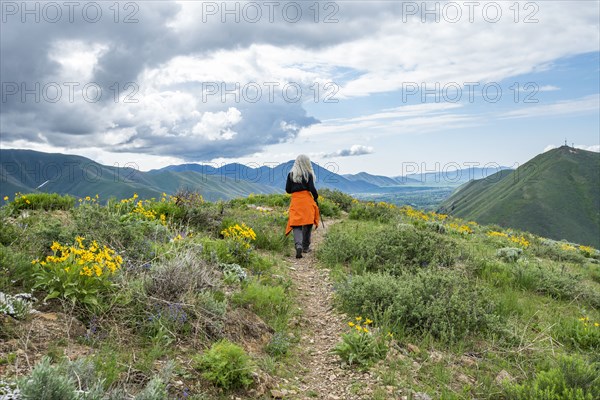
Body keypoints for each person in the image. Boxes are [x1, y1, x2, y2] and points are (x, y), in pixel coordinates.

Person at [285, 154, 320, 258]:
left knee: (296, 224)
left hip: (296, 201)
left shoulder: (291, 175)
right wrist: (316, 197)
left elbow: (288, 190)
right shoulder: (308, 174)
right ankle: (305, 247)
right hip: (307, 201)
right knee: (308, 223)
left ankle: (298, 245)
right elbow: (312, 189)